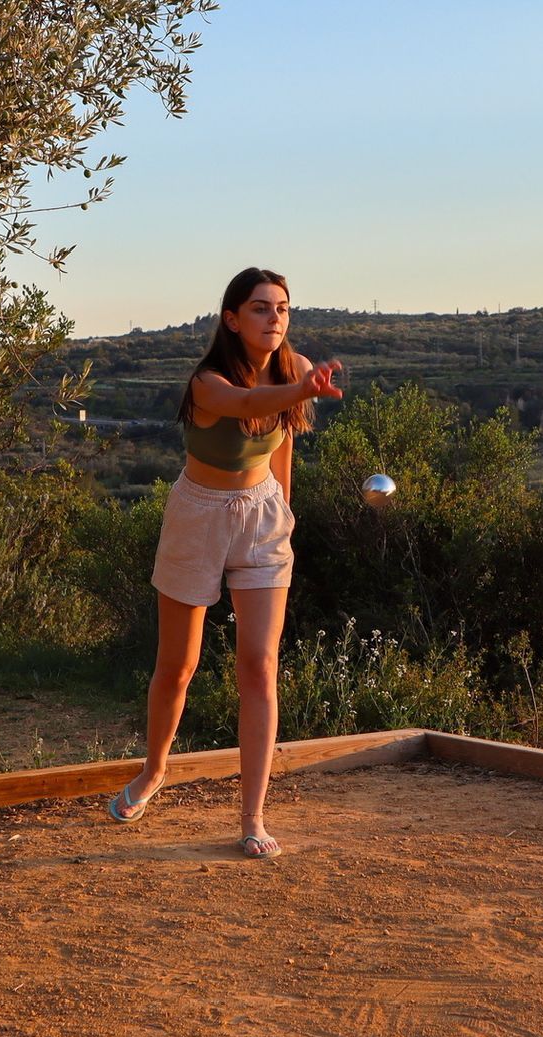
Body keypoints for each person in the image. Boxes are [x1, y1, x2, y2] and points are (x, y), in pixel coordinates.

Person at [106, 267, 342, 858]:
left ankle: (253, 818)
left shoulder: (294, 369)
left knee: (259, 668)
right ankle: (154, 770)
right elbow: (248, 403)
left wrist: (284, 512)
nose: (275, 319)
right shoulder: (209, 382)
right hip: (198, 515)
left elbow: (283, 435)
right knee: (177, 668)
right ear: (233, 320)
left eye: (283, 308)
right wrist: (303, 390)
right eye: (261, 309)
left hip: (261, 515)